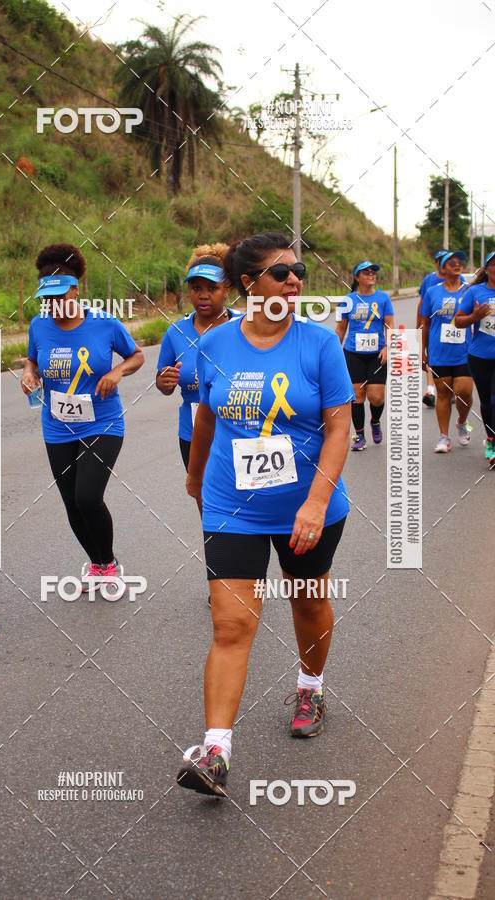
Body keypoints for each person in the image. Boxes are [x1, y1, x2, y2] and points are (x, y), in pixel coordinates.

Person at [176, 232, 353, 796]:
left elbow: (339, 427)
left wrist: (316, 501)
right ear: (249, 284)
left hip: (308, 504)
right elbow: (205, 417)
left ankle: (310, 684)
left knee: (306, 601)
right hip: (233, 504)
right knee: (231, 625)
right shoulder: (216, 345)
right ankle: (216, 751)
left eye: (298, 271)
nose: (295, 280)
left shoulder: (320, 344)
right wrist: (196, 476)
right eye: (281, 273)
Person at [21, 244, 144, 591]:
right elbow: (32, 359)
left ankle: (110, 562)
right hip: (56, 426)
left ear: (75, 290)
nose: (54, 305)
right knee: (71, 503)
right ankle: (99, 563)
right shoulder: (39, 326)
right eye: (47, 299)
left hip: (102, 421)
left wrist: (117, 372)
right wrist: (29, 374)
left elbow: (136, 356)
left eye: (60, 296)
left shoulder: (104, 323)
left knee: (87, 496)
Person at [156, 244, 239, 478]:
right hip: (193, 436)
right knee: (205, 502)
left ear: (227, 290)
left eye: (212, 288)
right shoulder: (175, 333)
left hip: (240, 433)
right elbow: (163, 383)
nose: (203, 295)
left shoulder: (244, 327)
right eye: (195, 288)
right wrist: (164, 381)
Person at [335, 261, 394, 451]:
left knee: (376, 397)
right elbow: (341, 328)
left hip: (377, 354)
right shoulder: (347, 300)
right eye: (366, 271)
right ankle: (359, 435)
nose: (371, 274)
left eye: (373, 271)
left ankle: (375, 421)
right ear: (356, 276)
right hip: (353, 353)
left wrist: (387, 347)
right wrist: (334, 351)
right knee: (357, 395)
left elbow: (390, 326)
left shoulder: (383, 298)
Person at [420, 250, 473, 453]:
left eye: (460, 262)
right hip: (439, 350)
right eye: (452, 262)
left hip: (464, 350)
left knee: (464, 391)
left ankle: (461, 422)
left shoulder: (469, 290)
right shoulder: (433, 292)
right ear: (443, 268)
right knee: (443, 393)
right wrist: (423, 351)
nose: (457, 264)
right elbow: (425, 323)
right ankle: (444, 437)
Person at [455, 250, 495, 463]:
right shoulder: (475, 292)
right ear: (487, 269)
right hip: (480, 356)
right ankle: (490, 438)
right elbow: (458, 321)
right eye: (494, 264)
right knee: (487, 402)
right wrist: (474, 316)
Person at [418, 249, 447, 408]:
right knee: (431, 357)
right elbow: (421, 304)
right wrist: (419, 325)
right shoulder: (429, 280)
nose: (443, 264)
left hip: (451, 327)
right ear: (436, 263)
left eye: (446, 260)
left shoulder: (460, 279)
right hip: (432, 326)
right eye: (440, 260)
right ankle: (431, 391)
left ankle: (450, 389)